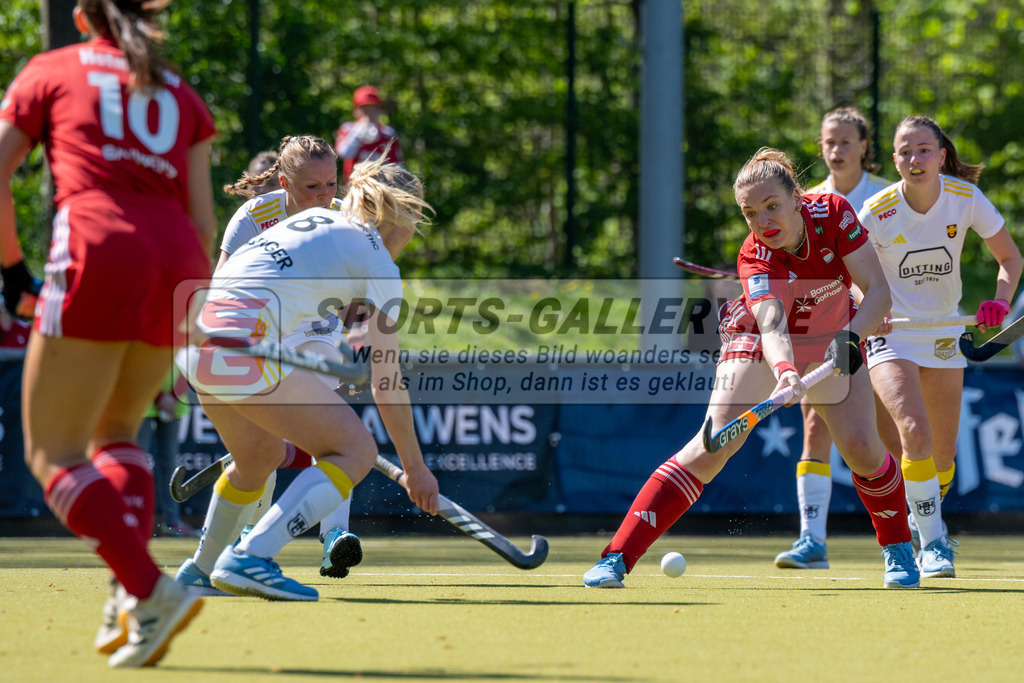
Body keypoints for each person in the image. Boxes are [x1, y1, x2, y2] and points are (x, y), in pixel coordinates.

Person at [583, 147, 922, 589]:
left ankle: (899, 553)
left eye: (771, 206)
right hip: (758, 340)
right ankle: (616, 558)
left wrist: (853, 335)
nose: (763, 221)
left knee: (861, 446)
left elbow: (877, 290)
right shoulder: (755, 256)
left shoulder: (835, 214)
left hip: (834, 333)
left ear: (797, 198)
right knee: (712, 443)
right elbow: (771, 324)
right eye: (750, 213)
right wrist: (784, 371)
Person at [0, 0, 215, 668]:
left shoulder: (51, 68)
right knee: (117, 434)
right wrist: (190, 302)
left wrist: (10, 271)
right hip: (177, 257)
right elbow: (203, 220)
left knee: (51, 453)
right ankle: (131, 592)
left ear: (84, 14)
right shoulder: (181, 91)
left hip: (97, 246)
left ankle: (151, 588)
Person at [177, 155, 437, 602]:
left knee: (259, 457)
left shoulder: (316, 218)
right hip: (246, 343)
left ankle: (199, 571)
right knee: (355, 451)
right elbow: (387, 382)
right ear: (405, 216)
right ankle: (252, 558)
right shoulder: (380, 267)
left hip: (197, 342)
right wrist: (415, 469)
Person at [858, 115, 1022, 577]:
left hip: (945, 336)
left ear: (942, 155)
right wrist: (868, 306)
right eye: (905, 152)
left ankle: (920, 521)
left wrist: (999, 301)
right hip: (892, 337)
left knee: (942, 458)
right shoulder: (877, 209)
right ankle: (933, 546)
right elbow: (849, 273)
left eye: (924, 150)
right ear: (894, 159)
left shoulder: (966, 199)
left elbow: (1010, 257)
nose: (915, 160)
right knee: (913, 431)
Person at [774, 106, 896, 569]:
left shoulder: (888, 196)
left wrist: (874, 310)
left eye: (846, 141)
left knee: (888, 435)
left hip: (886, 327)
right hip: (829, 334)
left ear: (864, 146)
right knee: (814, 428)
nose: (836, 150)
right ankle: (812, 541)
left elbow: (887, 274)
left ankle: (918, 533)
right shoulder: (802, 201)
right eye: (829, 141)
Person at [138, 368, 197, 537]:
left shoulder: (183, 340)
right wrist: (159, 397)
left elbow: (188, 366)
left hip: (174, 403)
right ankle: (136, 521)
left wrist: (172, 397)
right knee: (138, 461)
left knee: (170, 462)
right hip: (142, 401)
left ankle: (172, 522)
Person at [334, 85, 404, 184]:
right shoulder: (348, 129)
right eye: (365, 108)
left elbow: (398, 165)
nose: (369, 113)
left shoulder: (388, 133)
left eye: (373, 108)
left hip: (383, 189)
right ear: (356, 110)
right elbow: (343, 153)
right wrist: (358, 131)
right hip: (355, 188)